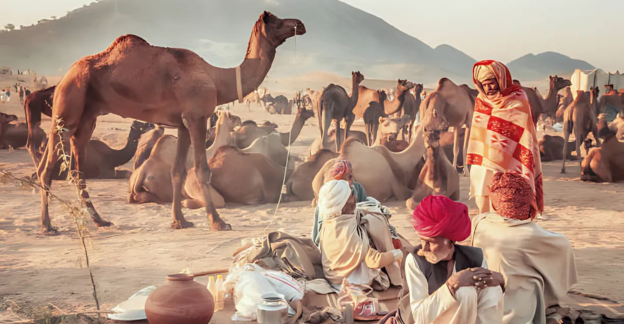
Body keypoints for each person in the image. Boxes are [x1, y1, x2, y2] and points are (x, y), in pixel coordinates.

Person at [471, 171, 577, 324]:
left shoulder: (480, 222)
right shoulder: (534, 235)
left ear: (495, 202)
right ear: (529, 203)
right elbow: (564, 249)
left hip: (481, 309)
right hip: (517, 315)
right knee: (534, 279)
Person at [391, 195, 504, 324]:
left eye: (431, 242)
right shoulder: (415, 260)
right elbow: (419, 317)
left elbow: (490, 294)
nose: (425, 247)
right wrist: (451, 285)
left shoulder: (474, 257)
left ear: (451, 241)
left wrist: (500, 280)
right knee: (464, 291)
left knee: (491, 288)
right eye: (423, 240)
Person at [467, 60, 543, 215]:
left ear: (501, 80)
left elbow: (524, 134)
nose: (487, 88)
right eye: (484, 84)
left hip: (509, 168)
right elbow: (479, 134)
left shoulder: (518, 100)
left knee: (505, 212)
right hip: (482, 165)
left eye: (491, 83)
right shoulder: (481, 101)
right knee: (483, 210)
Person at [317, 180, 403, 290]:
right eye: (351, 195)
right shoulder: (348, 234)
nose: (355, 198)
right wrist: (397, 254)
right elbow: (375, 261)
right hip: (351, 282)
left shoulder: (328, 221)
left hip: (332, 277)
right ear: (343, 203)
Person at [311, 159, 367, 246]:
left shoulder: (356, 189)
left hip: (349, 239)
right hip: (341, 242)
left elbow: (315, 235)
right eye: (348, 175)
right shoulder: (327, 199)